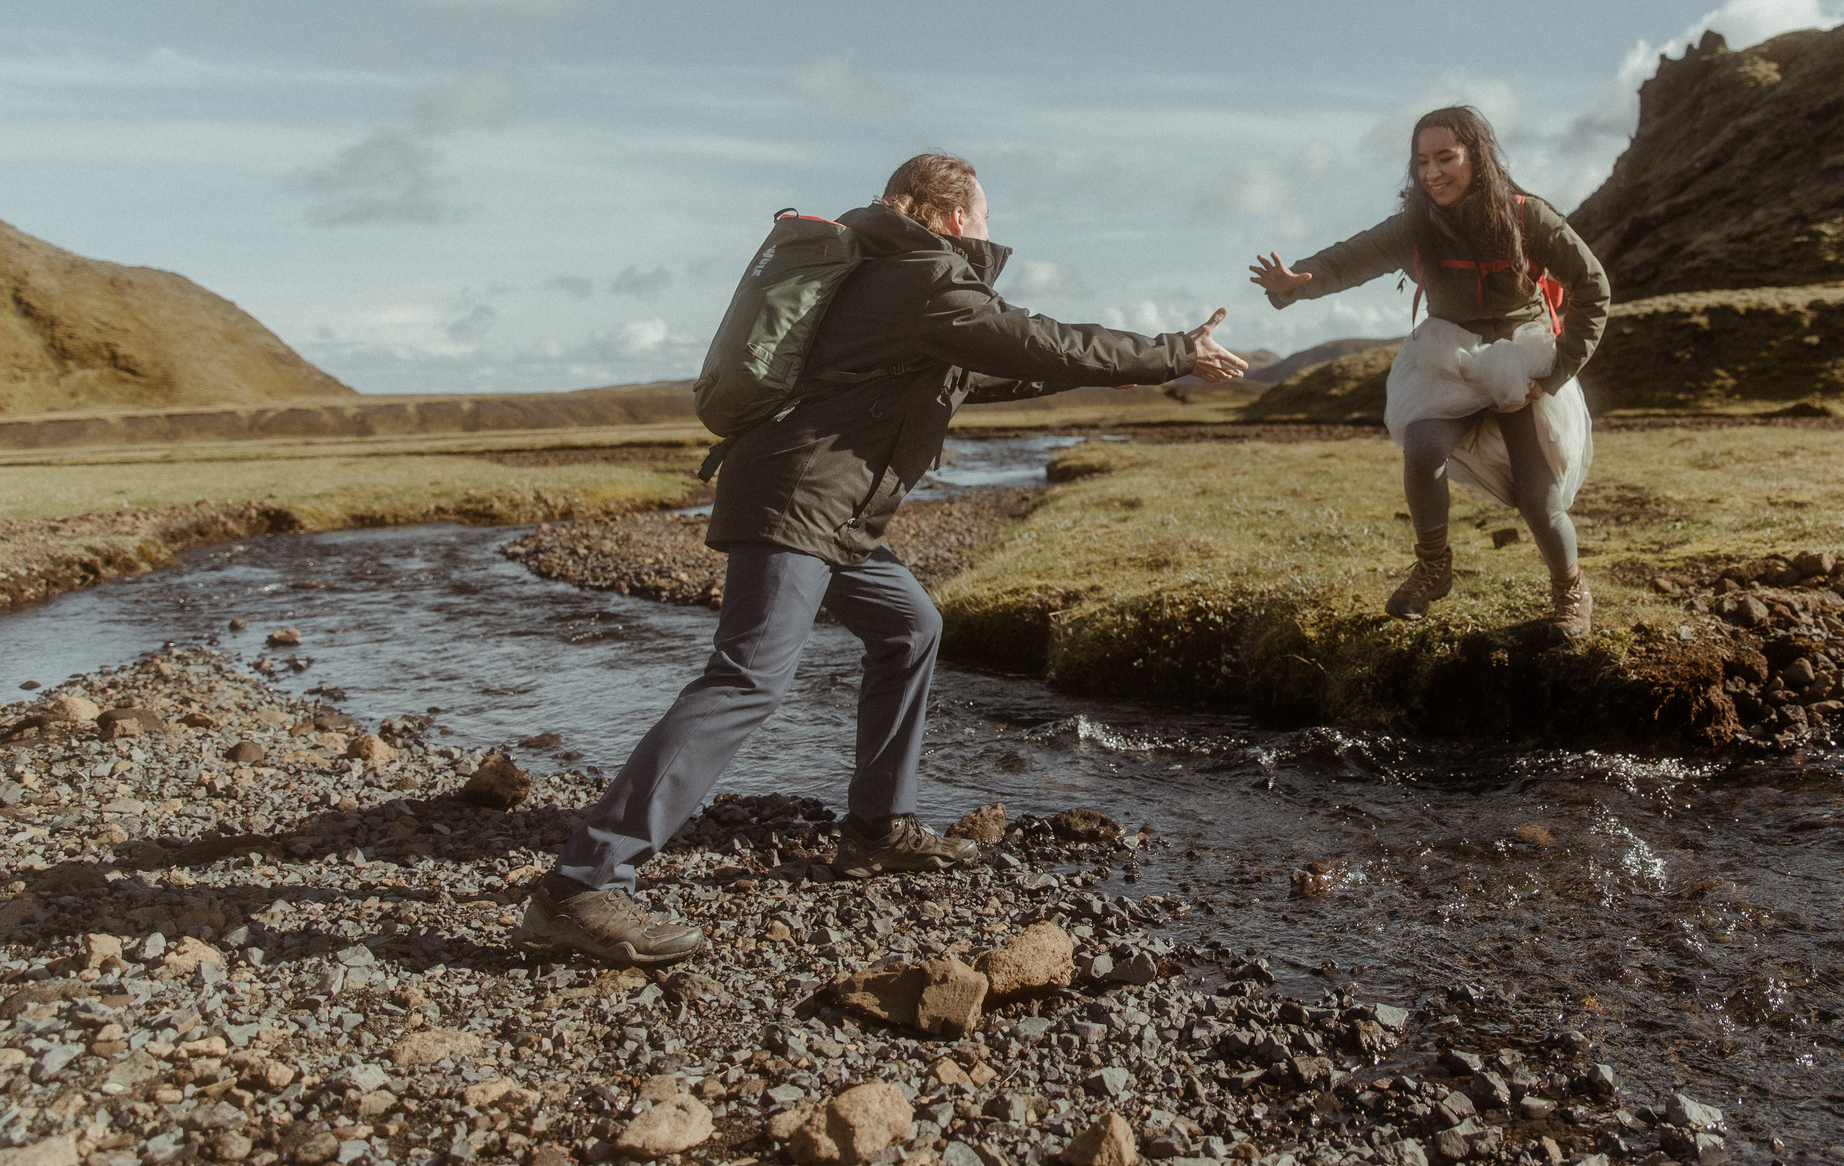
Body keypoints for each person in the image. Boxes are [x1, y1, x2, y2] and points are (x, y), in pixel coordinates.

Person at [514, 152, 1247, 967]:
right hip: (798, 498)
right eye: (987, 215)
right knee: (749, 677)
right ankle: (580, 884)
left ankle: (876, 829)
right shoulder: (922, 272)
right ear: (956, 214)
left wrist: (1108, 373)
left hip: (832, 508)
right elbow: (1029, 337)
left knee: (911, 627)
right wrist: (1172, 350)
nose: (992, 229)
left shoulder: (894, 269)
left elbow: (978, 370)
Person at [1250, 106, 1609, 635]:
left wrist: (1558, 372)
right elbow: (1351, 258)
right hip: (1450, 359)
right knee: (1422, 444)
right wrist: (1294, 284)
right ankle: (1434, 567)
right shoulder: (1416, 226)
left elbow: (1593, 287)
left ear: (1476, 157)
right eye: (1422, 161)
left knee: (1539, 499)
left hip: (1523, 363)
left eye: (1445, 157)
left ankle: (1571, 591)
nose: (1432, 173)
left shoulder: (1527, 217)